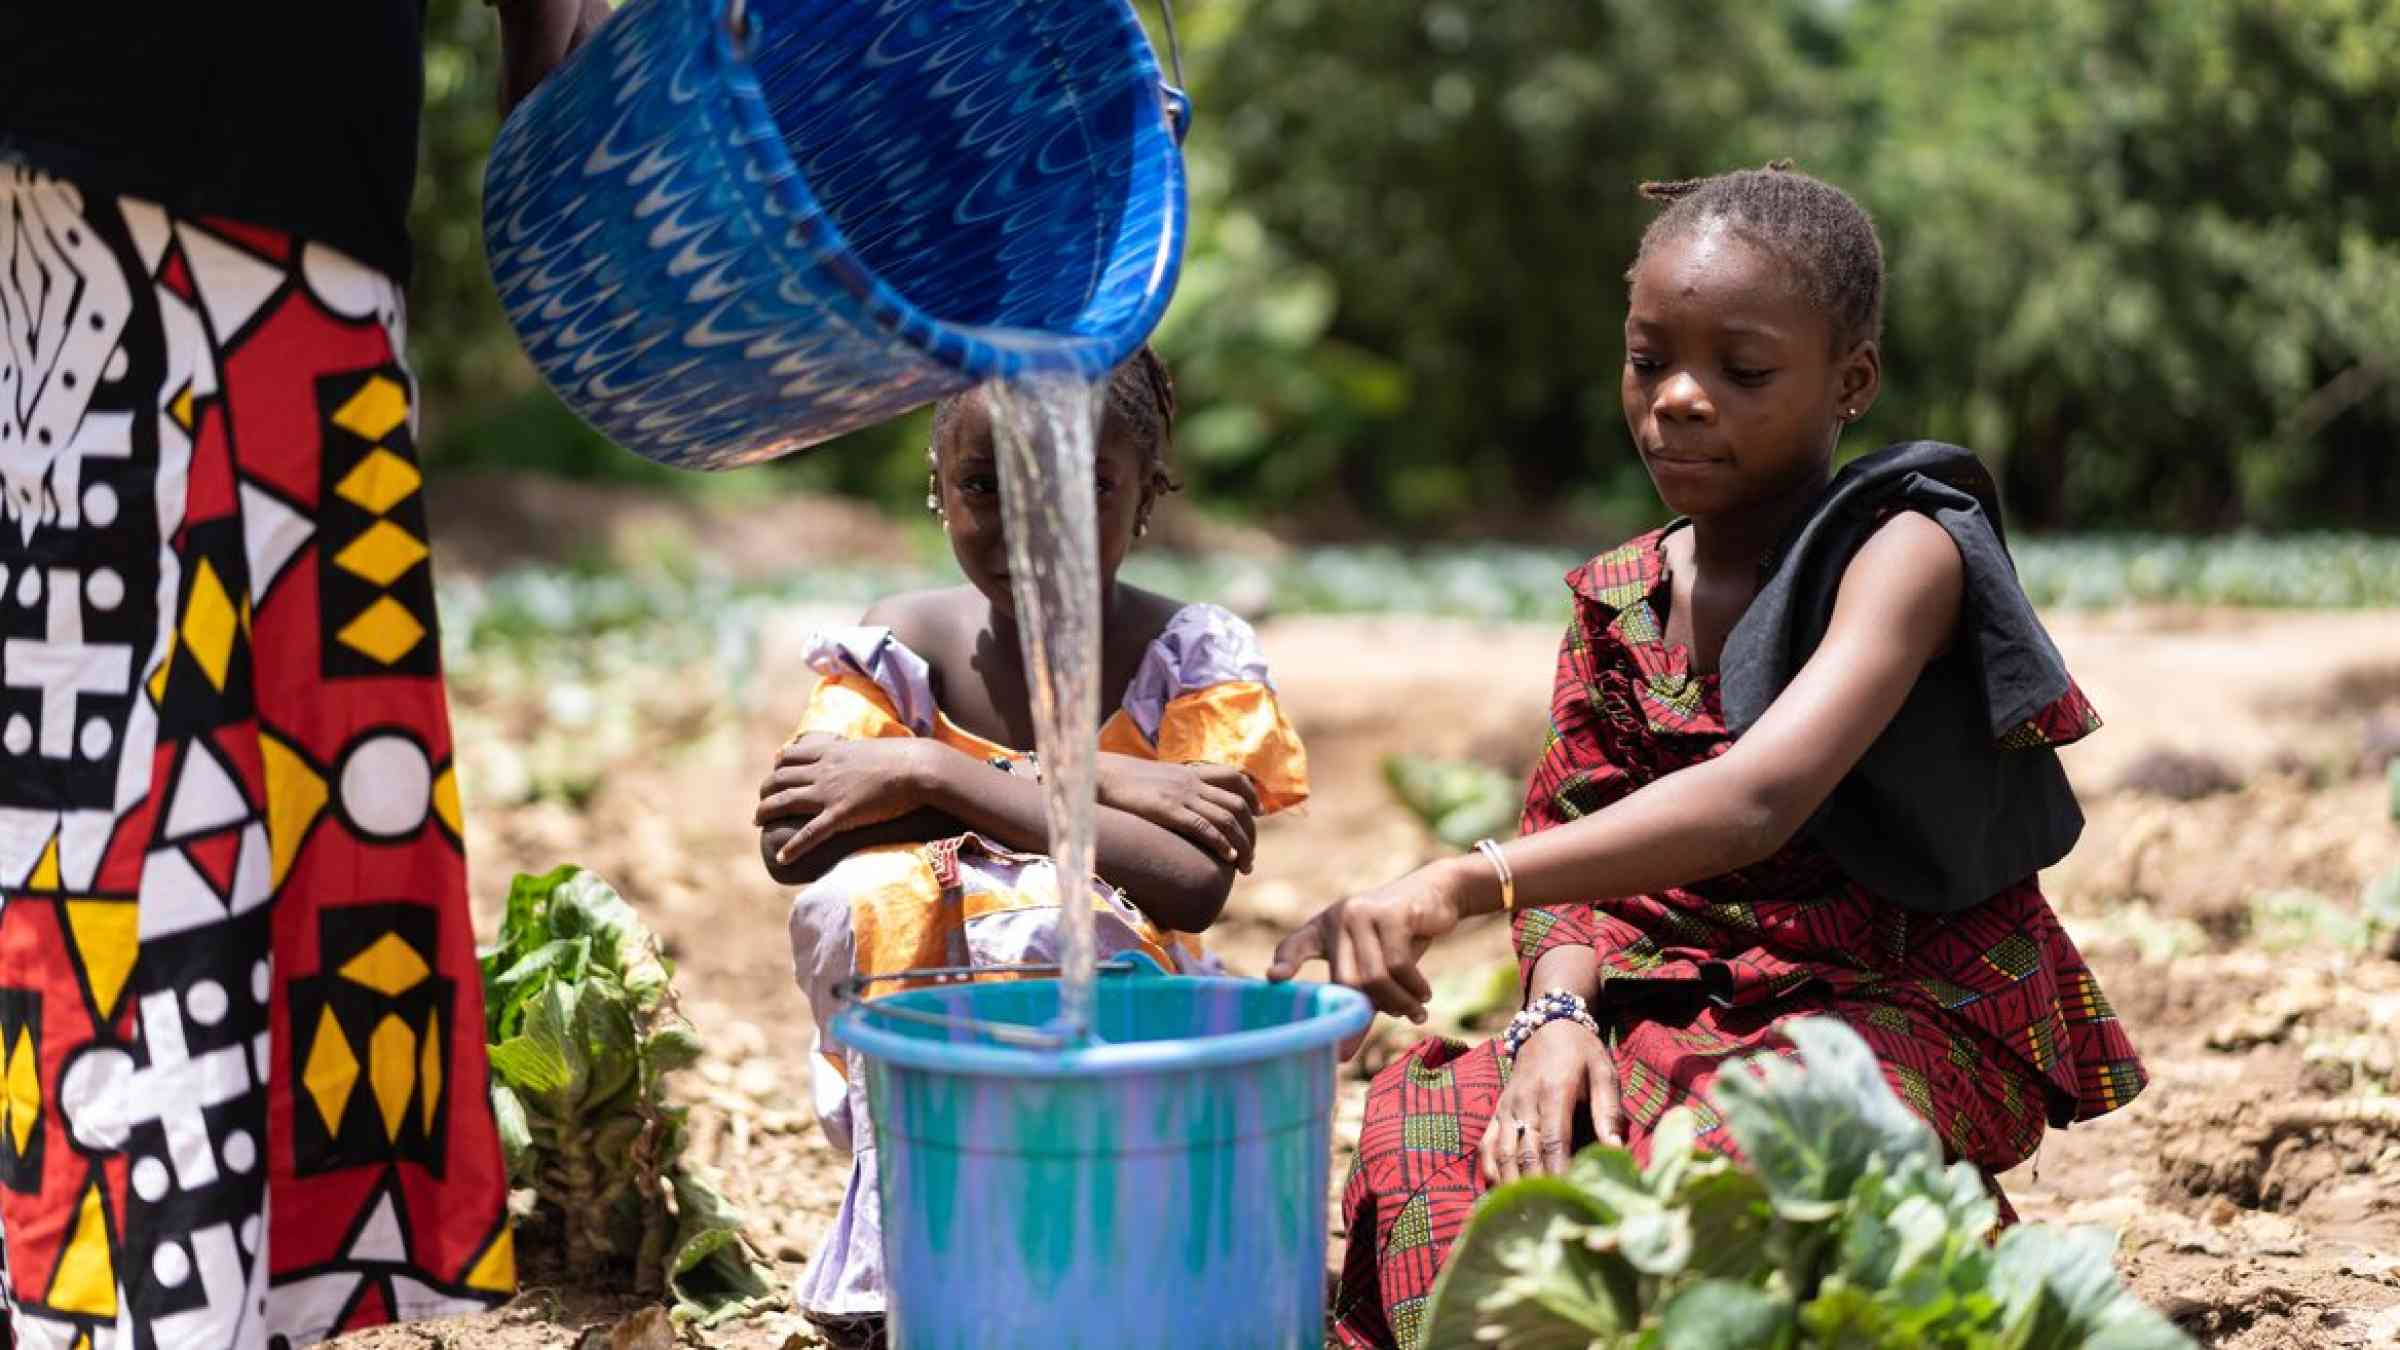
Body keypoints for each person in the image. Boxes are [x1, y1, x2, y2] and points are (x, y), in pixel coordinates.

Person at [1266, 164, 2149, 1349]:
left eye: (1741, 372)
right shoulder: (1620, 598)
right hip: (1673, 998)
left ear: (1853, 382)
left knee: (1740, 1154)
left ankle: (1931, 1250)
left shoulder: (1901, 555)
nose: (1679, 399)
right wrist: (1557, 1025)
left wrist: (1458, 881)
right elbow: (1568, 821)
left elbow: (1756, 800)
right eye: (1648, 361)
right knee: (1442, 1132)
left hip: (1892, 997)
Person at [0, 6, 602, 1344]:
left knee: (253, 780)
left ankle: (190, 1291)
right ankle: (146, 1297)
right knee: (164, 804)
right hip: (199, 159)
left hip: (224, 169)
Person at [760, 347, 1310, 1350]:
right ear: (939, 486)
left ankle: (1094, 1248)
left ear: (1145, 494)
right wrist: (1106, 786)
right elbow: (798, 838)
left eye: (1081, 486)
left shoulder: (1187, 655)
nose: (1028, 524)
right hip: (922, 1059)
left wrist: (934, 777)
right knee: (859, 895)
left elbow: (1188, 883)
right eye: (984, 485)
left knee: (1058, 907)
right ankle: (911, 1256)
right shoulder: (903, 639)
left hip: (1117, 1043)